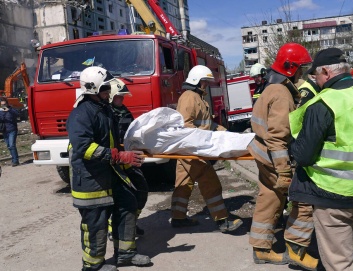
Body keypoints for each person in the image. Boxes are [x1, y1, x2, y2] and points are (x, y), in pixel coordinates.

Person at [288, 48, 353, 271]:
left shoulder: (324, 103)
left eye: (315, 75)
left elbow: (304, 155)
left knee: (339, 260)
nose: (315, 81)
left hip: (334, 194)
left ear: (325, 72)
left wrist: (291, 144)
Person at [67, 66, 150, 271]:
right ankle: (93, 265)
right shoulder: (81, 114)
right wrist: (119, 156)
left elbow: (112, 139)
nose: (108, 91)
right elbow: (84, 148)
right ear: (94, 89)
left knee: (128, 205)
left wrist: (127, 153)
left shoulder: (104, 109)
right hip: (90, 178)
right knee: (96, 223)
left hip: (110, 172)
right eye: (105, 88)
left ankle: (125, 254)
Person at [248, 43, 315, 266]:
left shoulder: (270, 88)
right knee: (302, 200)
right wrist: (284, 171)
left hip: (262, 153)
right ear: (291, 68)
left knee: (270, 198)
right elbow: (277, 138)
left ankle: (261, 249)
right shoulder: (282, 94)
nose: (302, 73)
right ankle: (296, 251)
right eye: (301, 68)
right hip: (273, 157)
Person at [170, 65, 243, 232]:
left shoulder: (198, 98)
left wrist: (227, 134)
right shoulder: (190, 98)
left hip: (190, 148)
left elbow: (208, 125)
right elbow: (184, 126)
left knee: (183, 184)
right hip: (192, 149)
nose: (207, 85)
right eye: (205, 82)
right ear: (197, 81)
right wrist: (203, 139)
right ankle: (222, 220)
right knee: (211, 183)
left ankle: (178, 217)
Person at [281, 68, 322, 271]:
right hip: (304, 154)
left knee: (305, 203)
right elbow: (301, 123)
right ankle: (295, 251)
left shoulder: (313, 90)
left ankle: (297, 248)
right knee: (304, 203)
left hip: (306, 153)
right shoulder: (308, 92)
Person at [108, 80, 149, 238]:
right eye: (119, 96)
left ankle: (131, 223)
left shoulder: (124, 111)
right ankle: (114, 228)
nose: (122, 99)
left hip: (128, 159)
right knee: (120, 197)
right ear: (111, 96)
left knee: (141, 190)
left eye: (123, 96)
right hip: (115, 162)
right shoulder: (106, 113)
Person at [0, 97, 19, 166]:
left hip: (12, 129)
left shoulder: (11, 109)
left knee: (12, 145)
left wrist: (9, 110)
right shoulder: (1, 111)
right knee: (8, 146)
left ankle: (15, 160)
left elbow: (17, 114)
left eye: (4, 104)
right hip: (4, 130)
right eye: (2, 105)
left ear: (7, 103)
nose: (3, 106)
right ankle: (13, 158)